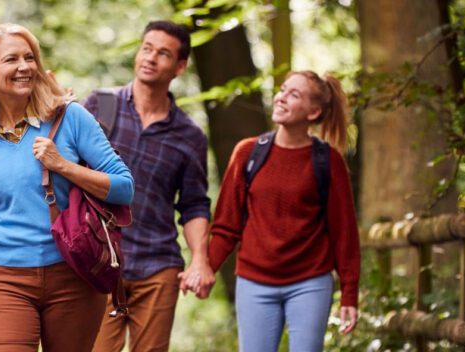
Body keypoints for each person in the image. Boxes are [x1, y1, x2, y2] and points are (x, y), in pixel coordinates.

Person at [0, 23, 134, 351]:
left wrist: (62, 165)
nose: (25, 67)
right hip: (5, 281)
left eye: (30, 57)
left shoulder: (71, 118)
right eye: (12, 60)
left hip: (73, 275)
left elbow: (124, 187)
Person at [83, 20, 214, 352]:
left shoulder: (189, 135)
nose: (151, 58)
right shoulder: (100, 106)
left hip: (157, 266)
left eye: (164, 53)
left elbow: (195, 204)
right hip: (100, 262)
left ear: (180, 67)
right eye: (147, 48)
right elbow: (67, 171)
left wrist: (200, 258)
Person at [207, 71, 361, 352]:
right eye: (282, 89)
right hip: (254, 282)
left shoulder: (328, 161)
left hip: (310, 282)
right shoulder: (248, 153)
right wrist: (206, 269)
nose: (281, 97)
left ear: (313, 112)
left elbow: (344, 234)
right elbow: (227, 226)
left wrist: (349, 294)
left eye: (294, 94)